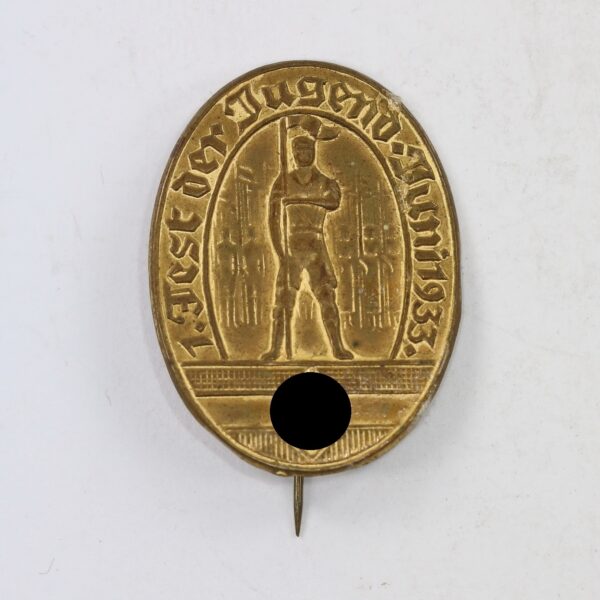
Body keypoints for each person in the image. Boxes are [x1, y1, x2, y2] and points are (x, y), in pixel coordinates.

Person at [262, 135, 353, 360]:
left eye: (307, 149)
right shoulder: (283, 181)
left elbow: (334, 202)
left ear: (313, 151)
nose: (303, 153)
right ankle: (275, 349)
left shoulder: (326, 182)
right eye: (299, 150)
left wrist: (300, 201)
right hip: (291, 247)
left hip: (316, 245)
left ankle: (337, 347)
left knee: (326, 297)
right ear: (293, 153)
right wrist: (279, 251)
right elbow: (273, 218)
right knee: (283, 300)